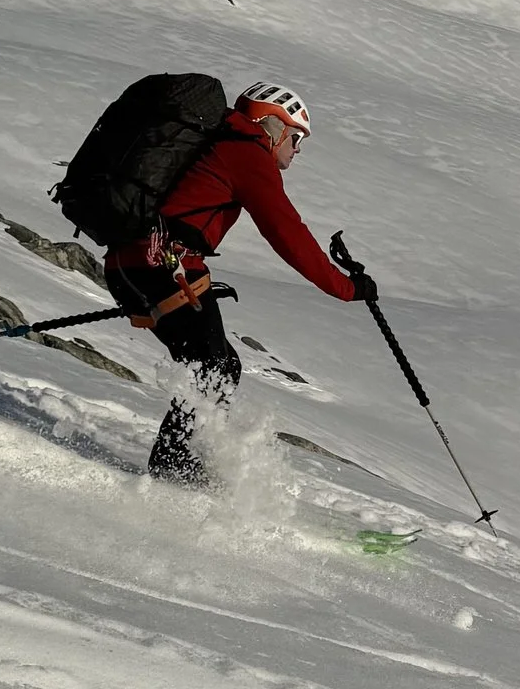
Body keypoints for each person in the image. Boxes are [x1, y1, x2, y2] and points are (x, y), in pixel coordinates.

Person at [104, 82, 377, 485]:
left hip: (159, 261)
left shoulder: (227, 141)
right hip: (156, 262)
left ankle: (183, 462)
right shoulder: (246, 153)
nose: (298, 149)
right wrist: (346, 288)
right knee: (212, 365)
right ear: (272, 125)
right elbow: (287, 233)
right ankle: (172, 471)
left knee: (220, 365)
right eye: (296, 137)